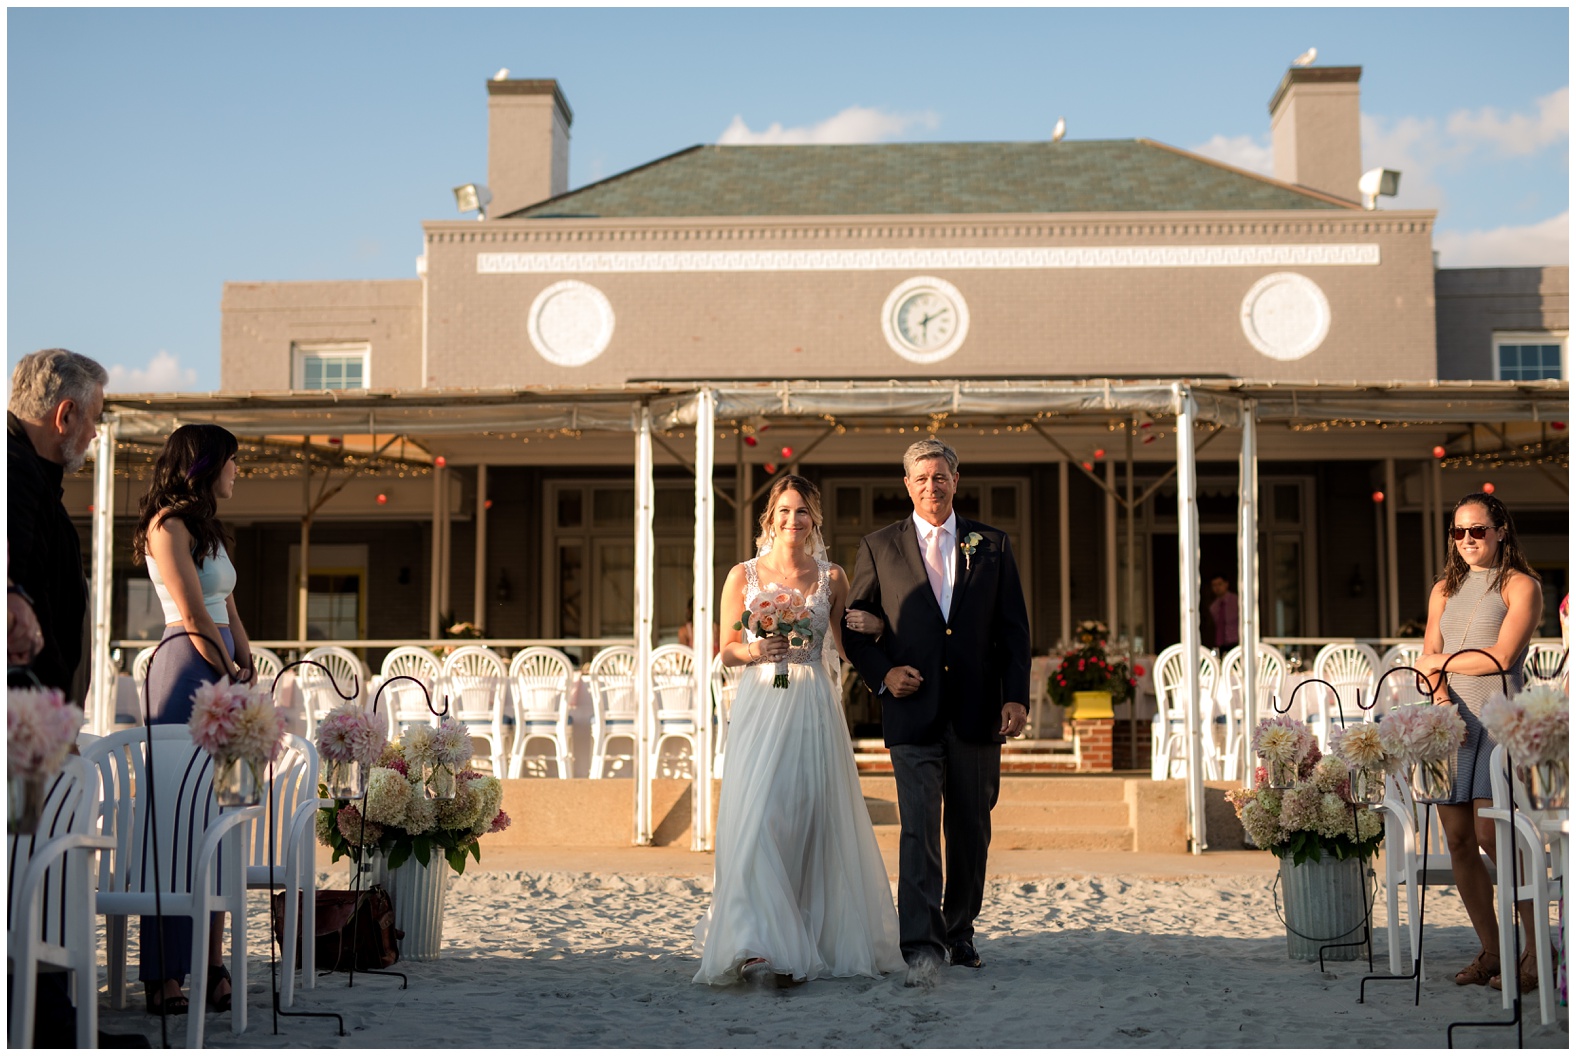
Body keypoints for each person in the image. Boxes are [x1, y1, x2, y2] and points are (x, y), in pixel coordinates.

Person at [693, 474, 904, 988]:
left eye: (803, 512)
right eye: (784, 511)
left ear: (815, 520)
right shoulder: (742, 575)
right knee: (758, 816)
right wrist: (754, 651)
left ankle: (804, 936)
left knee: (809, 818)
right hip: (762, 703)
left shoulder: (831, 576)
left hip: (812, 704)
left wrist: (881, 637)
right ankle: (756, 943)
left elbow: (849, 642)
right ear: (769, 517)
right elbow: (723, 649)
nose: (793, 520)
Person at [842, 439, 1031, 987]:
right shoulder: (879, 546)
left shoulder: (991, 545)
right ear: (907, 484)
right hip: (911, 711)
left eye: (941, 475)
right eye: (921, 477)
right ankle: (922, 945)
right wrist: (884, 673)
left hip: (977, 712)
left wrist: (1015, 696)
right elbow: (856, 626)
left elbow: (1013, 631)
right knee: (919, 831)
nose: (932, 485)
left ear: (956, 479)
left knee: (971, 828)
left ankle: (959, 932)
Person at [129, 423, 253, 1016]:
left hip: (226, 668)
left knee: (224, 814)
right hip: (186, 669)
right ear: (206, 464)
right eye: (232, 461)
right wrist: (226, 663)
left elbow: (227, 605)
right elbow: (193, 613)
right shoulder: (167, 526)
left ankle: (212, 963)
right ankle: (164, 974)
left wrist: (247, 655)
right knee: (177, 823)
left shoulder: (211, 531)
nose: (238, 472)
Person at [1413, 492, 1543, 994]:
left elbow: (1501, 656)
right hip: (1449, 723)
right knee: (1459, 840)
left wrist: (1438, 665)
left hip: (1498, 722)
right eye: (1458, 532)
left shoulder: (1521, 586)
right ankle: (1492, 950)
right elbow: (1429, 654)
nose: (1467, 540)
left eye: (1478, 530)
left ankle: (1536, 949)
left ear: (1500, 531)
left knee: (1495, 835)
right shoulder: (1443, 590)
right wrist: (1441, 696)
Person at [7, 348, 107, 698]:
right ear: (65, 415)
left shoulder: (29, 473)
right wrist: (53, 715)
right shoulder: (15, 472)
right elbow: (24, 595)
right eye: (94, 418)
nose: (94, 433)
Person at [1208, 574, 1239, 651]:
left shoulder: (1237, 601)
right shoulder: (1213, 607)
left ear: (1226, 584)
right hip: (1221, 644)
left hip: (1237, 642)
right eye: (1214, 585)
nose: (1217, 588)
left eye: (1219, 584)